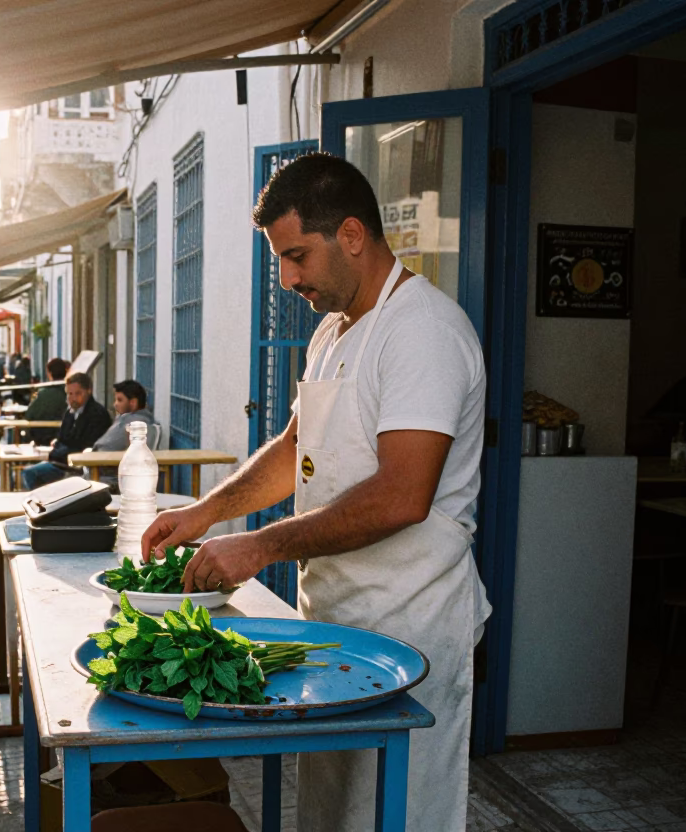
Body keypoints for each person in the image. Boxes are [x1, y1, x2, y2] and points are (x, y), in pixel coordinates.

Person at [141, 153, 491, 832]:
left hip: (410, 627)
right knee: (332, 813)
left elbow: (402, 495)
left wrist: (262, 546)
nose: (287, 277)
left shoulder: (423, 332)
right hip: (336, 621)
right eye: (281, 258)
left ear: (352, 235)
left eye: (297, 255)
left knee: (396, 814)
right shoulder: (332, 330)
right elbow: (296, 448)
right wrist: (207, 514)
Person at [20, 373, 112, 491]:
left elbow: (84, 446)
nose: (73, 398)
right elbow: (62, 438)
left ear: (88, 391)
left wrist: (55, 453)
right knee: (28, 471)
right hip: (62, 462)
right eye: (69, 394)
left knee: (30, 473)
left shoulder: (97, 415)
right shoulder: (70, 412)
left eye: (78, 393)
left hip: (77, 468)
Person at [24, 357, 69, 444]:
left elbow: (29, 416)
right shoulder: (71, 393)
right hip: (65, 439)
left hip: (43, 439)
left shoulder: (42, 394)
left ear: (49, 373)